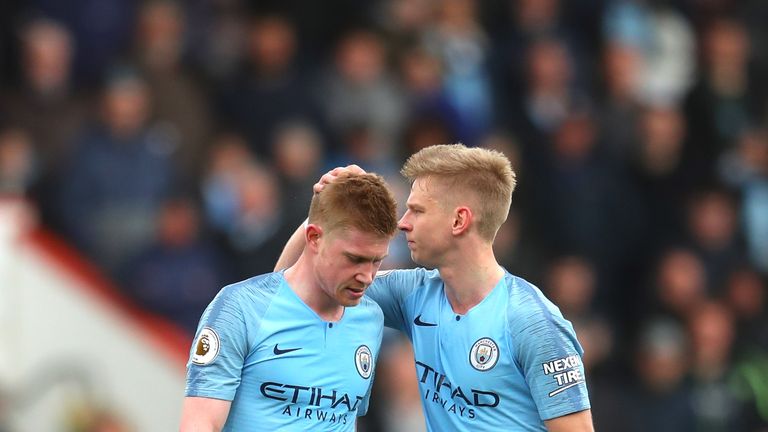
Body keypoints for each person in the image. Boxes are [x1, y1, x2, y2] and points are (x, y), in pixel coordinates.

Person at [276, 144, 594, 431]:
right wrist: (322, 217)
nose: (403, 222)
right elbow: (289, 291)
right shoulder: (413, 293)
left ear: (459, 221)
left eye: (418, 210)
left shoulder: (532, 322)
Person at [180, 172, 399, 431]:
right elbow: (200, 423)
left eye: (377, 260)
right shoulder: (239, 308)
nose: (368, 276)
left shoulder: (370, 318)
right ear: (314, 238)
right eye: (354, 258)